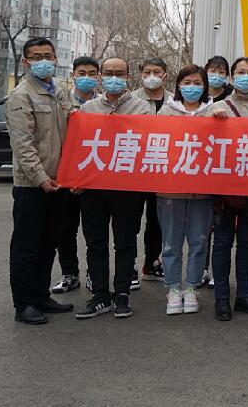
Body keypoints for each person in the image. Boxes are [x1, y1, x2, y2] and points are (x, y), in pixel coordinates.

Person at [76, 57, 151, 320]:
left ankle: (122, 294)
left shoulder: (142, 108)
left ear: (128, 76)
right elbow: (78, 145)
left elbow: (148, 143)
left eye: (119, 73)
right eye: (108, 73)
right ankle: (99, 295)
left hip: (127, 187)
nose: (114, 78)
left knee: (125, 242)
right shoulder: (88, 108)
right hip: (94, 187)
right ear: (100, 76)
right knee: (95, 242)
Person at [7, 37, 74, 325]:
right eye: (36, 57)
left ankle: (41, 295)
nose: (43, 61)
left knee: (49, 243)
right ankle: (24, 304)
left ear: (56, 59)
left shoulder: (60, 91)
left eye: (48, 55)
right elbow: (23, 144)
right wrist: (41, 178)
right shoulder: (21, 96)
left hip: (60, 182)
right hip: (32, 185)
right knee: (27, 246)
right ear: (26, 62)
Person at [206, 57, 248, 321]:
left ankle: (244, 296)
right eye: (240, 72)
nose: (246, 76)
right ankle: (221, 298)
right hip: (224, 187)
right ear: (232, 77)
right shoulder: (218, 106)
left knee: (247, 242)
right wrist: (213, 120)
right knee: (222, 243)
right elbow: (204, 140)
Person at [156, 65, 215, 316]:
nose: (192, 87)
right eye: (187, 82)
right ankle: (172, 288)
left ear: (205, 86)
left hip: (203, 190)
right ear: (179, 85)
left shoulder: (214, 110)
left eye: (197, 83)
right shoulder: (165, 111)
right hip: (171, 189)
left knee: (199, 241)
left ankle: (191, 287)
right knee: (171, 242)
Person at [52, 55, 100, 296]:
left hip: (93, 177)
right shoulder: (60, 102)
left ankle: (95, 274)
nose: (86, 78)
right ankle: (69, 273)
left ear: (98, 77)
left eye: (92, 74)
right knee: (65, 229)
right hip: (65, 177)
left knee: (95, 232)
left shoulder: (104, 104)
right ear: (73, 75)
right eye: (82, 73)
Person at [132, 57, 171, 285]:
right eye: (147, 72)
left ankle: (152, 263)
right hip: (135, 170)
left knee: (157, 221)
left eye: (156, 71)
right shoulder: (130, 100)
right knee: (131, 220)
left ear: (165, 75)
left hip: (162, 171)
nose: (152, 76)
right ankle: (129, 267)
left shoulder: (174, 101)